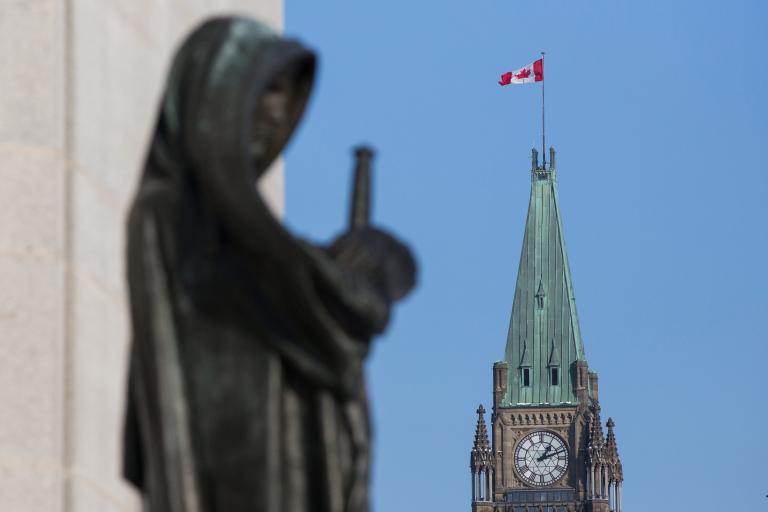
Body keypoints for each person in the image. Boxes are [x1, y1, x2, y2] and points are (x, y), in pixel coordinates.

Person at [122, 17, 416, 512]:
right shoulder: (173, 213)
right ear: (219, 94)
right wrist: (356, 275)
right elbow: (333, 315)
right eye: (266, 89)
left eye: (286, 95)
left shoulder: (243, 235)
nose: (277, 111)